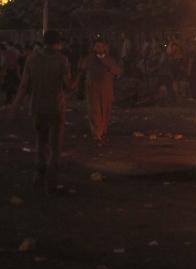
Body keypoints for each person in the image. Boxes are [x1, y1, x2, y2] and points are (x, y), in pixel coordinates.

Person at [8, 31, 74, 193]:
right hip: (55, 107)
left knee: (41, 142)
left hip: (37, 107)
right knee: (55, 146)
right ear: (58, 43)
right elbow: (68, 86)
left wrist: (14, 106)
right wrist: (78, 76)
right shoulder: (62, 60)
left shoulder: (32, 59)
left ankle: (38, 175)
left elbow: (23, 86)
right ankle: (51, 182)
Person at [78, 38, 121, 144]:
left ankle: (103, 129)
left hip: (106, 89)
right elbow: (81, 67)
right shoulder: (90, 58)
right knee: (94, 110)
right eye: (97, 46)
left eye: (101, 46)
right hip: (92, 88)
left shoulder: (110, 59)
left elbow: (118, 71)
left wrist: (106, 63)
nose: (99, 49)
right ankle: (97, 133)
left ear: (105, 47)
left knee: (105, 110)